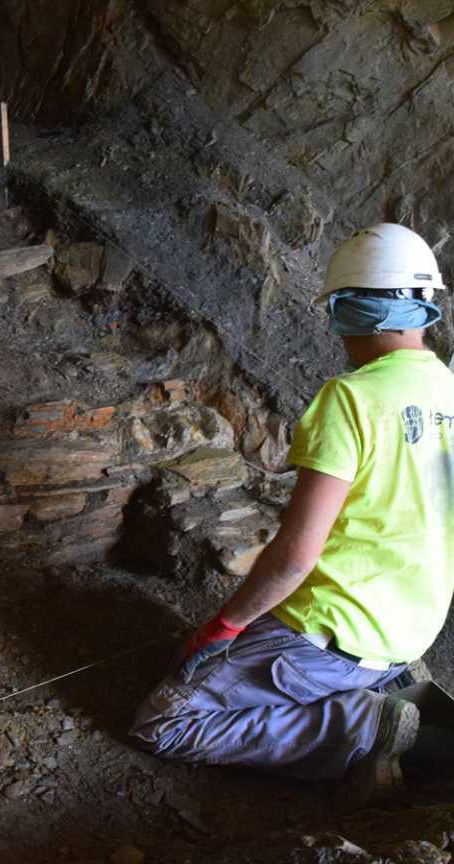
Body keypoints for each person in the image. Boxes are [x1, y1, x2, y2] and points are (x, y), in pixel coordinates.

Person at [131, 223, 454, 804]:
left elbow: (295, 556)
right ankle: (388, 692)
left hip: (328, 634)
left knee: (164, 721)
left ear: (352, 310)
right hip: (406, 632)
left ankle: (357, 727)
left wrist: (224, 626)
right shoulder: (448, 391)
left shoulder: (352, 398)